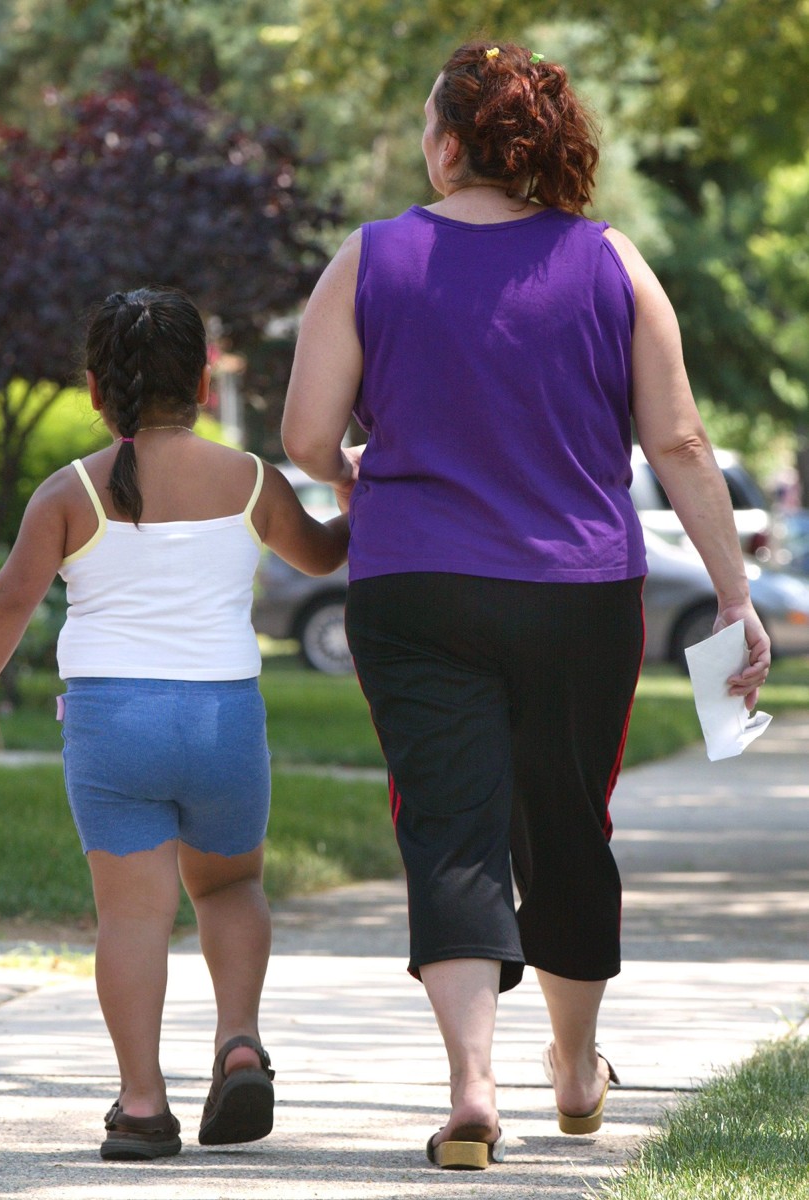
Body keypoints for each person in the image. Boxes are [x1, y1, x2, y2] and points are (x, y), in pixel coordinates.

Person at [281, 40, 771, 1170]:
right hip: (580, 594)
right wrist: (734, 597)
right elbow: (683, 441)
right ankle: (574, 1068)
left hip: (417, 586)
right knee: (566, 825)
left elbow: (307, 438)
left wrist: (366, 465)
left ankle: (471, 1090)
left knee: (448, 825)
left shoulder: (371, 258)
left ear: (450, 143)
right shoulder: (611, 262)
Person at [0, 285, 350, 1162]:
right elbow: (323, 555)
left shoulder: (69, 491)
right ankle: (238, 1040)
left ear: (96, 390)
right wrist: (360, 486)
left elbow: (10, 601)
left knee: (132, 917)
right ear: (204, 384)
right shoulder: (250, 481)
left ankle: (142, 1104)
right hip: (223, 721)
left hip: (111, 722)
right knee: (230, 888)